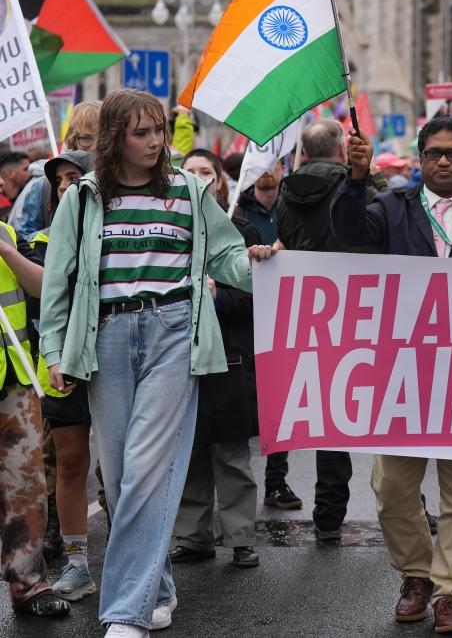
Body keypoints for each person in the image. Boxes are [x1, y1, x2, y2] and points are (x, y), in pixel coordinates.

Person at [39, 90, 275, 637]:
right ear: (114, 138)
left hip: (174, 333)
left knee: (147, 469)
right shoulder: (84, 197)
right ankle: (158, 589)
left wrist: (260, 263)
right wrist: (53, 351)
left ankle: (126, 613)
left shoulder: (189, 190)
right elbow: (59, 279)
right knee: (123, 477)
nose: (154, 141)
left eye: (159, 131)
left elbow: (226, 256)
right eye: (140, 132)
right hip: (106, 337)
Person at [330, 116, 452, 634]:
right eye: (434, 153)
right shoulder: (389, 208)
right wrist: (355, 178)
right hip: (401, 373)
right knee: (393, 487)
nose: (444, 161)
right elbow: (348, 234)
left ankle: (449, 593)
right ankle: (416, 574)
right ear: (420, 160)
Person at [267, 119, 370, 537]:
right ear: (342, 151)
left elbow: (288, 241)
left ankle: (328, 516)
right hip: (362, 309)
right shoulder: (356, 187)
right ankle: (409, 507)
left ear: (305, 154)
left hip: (312, 313)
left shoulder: (286, 195)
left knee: (330, 414)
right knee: (384, 411)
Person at [167, 149, 260, 570]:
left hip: (228, 357)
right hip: (179, 354)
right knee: (188, 450)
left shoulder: (241, 230)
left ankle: (241, 537)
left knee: (231, 452)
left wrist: (218, 295)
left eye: (206, 172)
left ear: (220, 181)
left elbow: (256, 294)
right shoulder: (170, 229)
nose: (199, 178)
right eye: (190, 172)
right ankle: (193, 536)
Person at [0, 153, 71, 619]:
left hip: (15, 377)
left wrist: (6, 252)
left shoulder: (7, 235)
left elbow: (44, 288)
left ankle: (28, 584)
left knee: (25, 487)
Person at [31, 151, 98, 603]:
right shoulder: (43, 239)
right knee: (70, 463)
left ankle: (143, 563)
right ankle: (77, 565)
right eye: (58, 181)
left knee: (123, 468)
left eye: (73, 177)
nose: (65, 186)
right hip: (64, 365)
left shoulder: (110, 229)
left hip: (110, 357)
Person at [15, 101, 101, 241]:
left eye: (101, 138)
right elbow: (23, 241)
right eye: (86, 138)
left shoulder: (118, 184)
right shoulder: (44, 187)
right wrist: (57, 233)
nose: (95, 146)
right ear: (73, 140)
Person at [233, 160, 280, 245]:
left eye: (272, 162)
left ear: (283, 168)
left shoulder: (293, 210)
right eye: (259, 162)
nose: (266, 168)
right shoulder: (237, 214)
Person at [0, 151, 31, 221]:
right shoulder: (1, 203)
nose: (29, 173)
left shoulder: (29, 196)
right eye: (26, 169)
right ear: (10, 173)